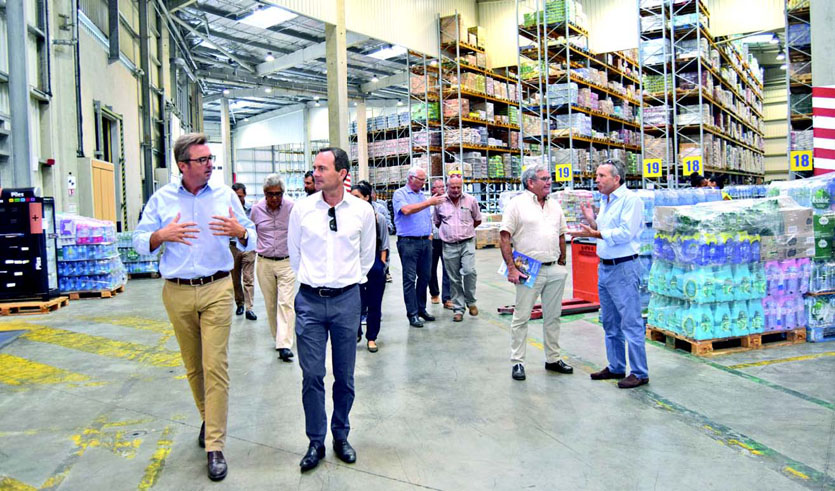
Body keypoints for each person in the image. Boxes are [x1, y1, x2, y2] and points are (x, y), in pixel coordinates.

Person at [133, 133, 256, 481]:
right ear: (182, 165)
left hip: (217, 288)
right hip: (178, 292)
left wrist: (240, 231)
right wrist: (161, 236)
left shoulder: (225, 195)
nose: (209, 165)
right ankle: (208, 417)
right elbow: (139, 241)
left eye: (210, 158)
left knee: (215, 366)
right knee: (193, 367)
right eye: (202, 160)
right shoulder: (162, 200)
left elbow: (252, 237)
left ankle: (215, 445)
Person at [288, 147, 375, 473]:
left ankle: (341, 434)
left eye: (322, 168)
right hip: (309, 301)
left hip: (346, 301)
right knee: (312, 374)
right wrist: (315, 281)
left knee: (345, 375)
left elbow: (366, 257)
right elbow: (294, 254)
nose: (316, 173)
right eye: (315, 168)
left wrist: (344, 282)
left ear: (342, 173)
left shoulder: (362, 211)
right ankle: (315, 441)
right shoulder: (302, 209)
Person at [573, 159, 648, 389]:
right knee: (610, 321)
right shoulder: (606, 201)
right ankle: (616, 366)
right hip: (605, 267)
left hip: (623, 267)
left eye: (601, 176)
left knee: (630, 322)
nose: (596, 179)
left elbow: (625, 233)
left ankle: (639, 372)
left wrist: (596, 233)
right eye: (597, 175)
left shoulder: (630, 200)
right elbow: (604, 230)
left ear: (616, 178)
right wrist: (591, 220)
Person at [499, 163, 573, 381]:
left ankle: (553, 359)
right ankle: (518, 362)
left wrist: (562, 261)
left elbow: (561, 234)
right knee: (521, 317)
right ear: (530, 182)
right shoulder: (517, 204)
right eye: (545, 179)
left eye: (549, 178)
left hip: (553, 268)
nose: (549, 182)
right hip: (528, 270)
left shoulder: (554, 205)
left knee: (553, 317)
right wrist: (511, 268)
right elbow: (504, 237)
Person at [251, 174, 296, 362]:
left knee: (286, 302)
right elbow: (251, 233)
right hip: (264, 262)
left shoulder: (292, 208)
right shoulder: (256, 210)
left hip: (286, 262)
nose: (275, 198)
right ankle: (278, 337)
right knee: (271, 304)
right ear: (265, 193)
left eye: (278, 194)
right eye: (270, 194)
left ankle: (284, 344)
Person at [392, 167, 444, 328]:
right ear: (411, 178)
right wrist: (429, 202)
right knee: (409, 279)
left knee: (425, 276)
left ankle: (421, 308)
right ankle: (412, 313)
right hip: (408, 242)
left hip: (425, 242)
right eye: (421, 179)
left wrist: (429, 234)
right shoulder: (400, 194)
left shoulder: (421, 195)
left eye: (424, 180)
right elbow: (406, 210)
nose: (423, 183)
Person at [434, 174, 482, 322]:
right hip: (449, 245)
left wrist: (465, 230)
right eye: (453, 187)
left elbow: (477, 219)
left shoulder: (470, 200)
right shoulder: (439, 202)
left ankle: (471, 301)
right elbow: (437, 222)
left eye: (458, 187)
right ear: (447, 187)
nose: (456, 190)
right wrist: (449, 232)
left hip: (467, 242)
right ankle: (458, 309)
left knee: (469, 271)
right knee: (454, 278)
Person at [351, 181, 389, 352]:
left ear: (367, 197)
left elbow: (384, 245)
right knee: (355, 302)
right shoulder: (348, 219)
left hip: (374, 264)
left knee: (375, 303)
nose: (353, 200)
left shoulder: (378, 218)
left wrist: (382, 266)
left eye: (357, 197)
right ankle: (356, 331)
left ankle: (372, 337)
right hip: (354, 265)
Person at [230, 183, 257, 320]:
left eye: (240, 196)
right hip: (233, 247)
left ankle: (249, 308)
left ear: (245, 195)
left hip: (249, 247)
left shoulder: (252, 209)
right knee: (235, 278)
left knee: (248, 278)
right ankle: (239, 303)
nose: (237, 199)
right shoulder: (228, 209)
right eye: (235, 196)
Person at [429, 178, 451, 308]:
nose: (443, 189)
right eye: (440, 187)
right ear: (433, 189)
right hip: (431, 240)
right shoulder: (428, 203)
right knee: (431, 268)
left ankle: (447, 298)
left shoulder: (448, 202)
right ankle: (434, 293)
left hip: (445, 239)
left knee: (447, 268)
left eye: (443, 186)